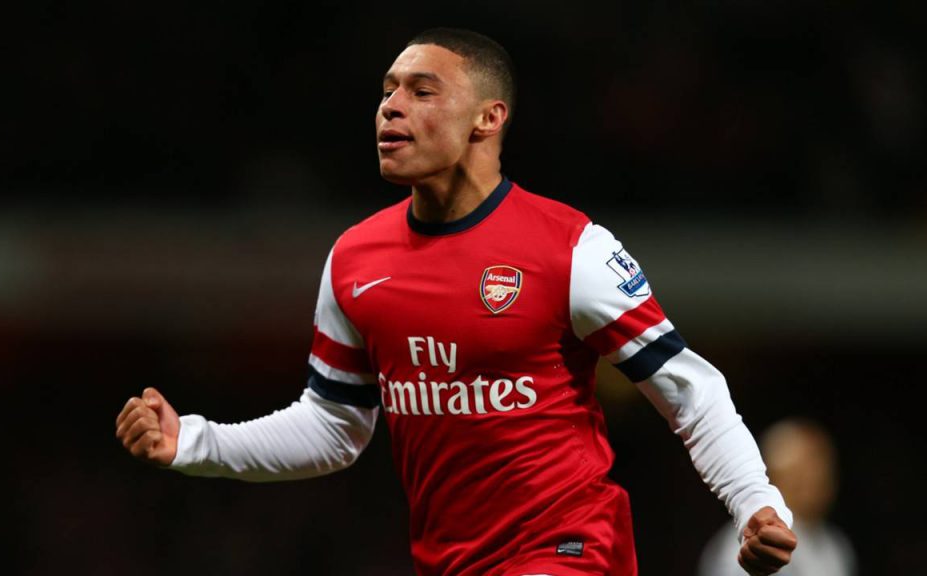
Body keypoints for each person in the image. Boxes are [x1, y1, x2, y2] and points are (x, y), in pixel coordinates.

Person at [115, 28, 797, 576]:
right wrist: (192, 442)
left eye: (421, 90)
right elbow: (334, 427)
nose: (391, 106)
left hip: (569, 550)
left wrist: (755, 503)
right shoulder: (355, 260)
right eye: (387, 90)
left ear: (488, 118)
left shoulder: (571, 250)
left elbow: (689, 391)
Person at [698, 419, 855, 576]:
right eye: (800, 474)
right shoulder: (749, 542)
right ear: (773, 476)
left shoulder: (834, 545)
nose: (815, 479)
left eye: (821, 469)